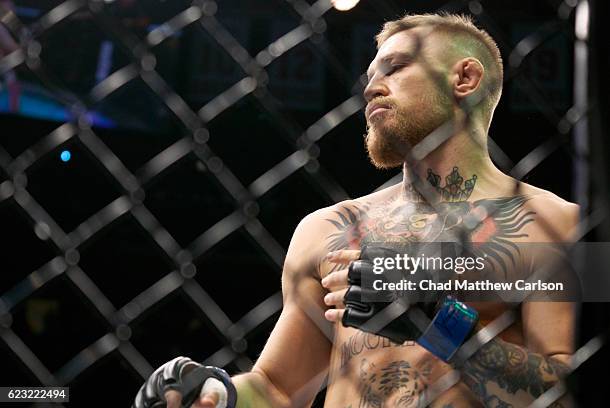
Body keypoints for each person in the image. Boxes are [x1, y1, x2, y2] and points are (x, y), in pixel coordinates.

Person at [133, 13, 578, 408]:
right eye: (370, 74)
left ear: (464, 79)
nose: (370, 88)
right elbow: (279, 389)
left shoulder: (561, 224)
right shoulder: (327, 229)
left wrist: (435, 319)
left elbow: (574, 389)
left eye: (397, 67)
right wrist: (218, 394)